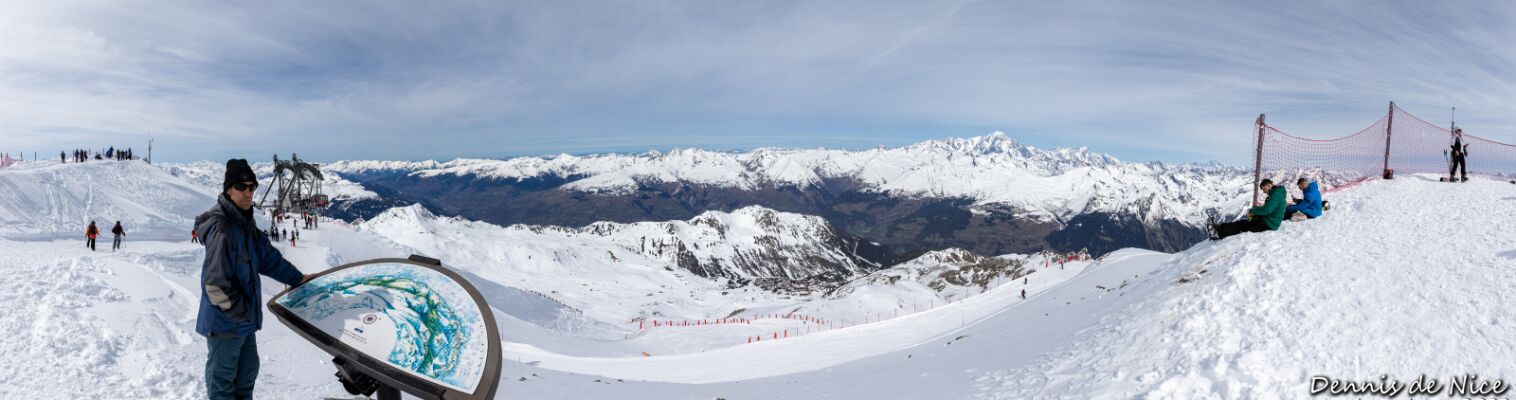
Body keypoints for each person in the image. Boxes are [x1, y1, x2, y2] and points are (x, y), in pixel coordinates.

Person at [194, 159, 314, 400]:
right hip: (226, 324)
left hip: (243, 322)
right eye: (241, 186)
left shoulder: (244, 223)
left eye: (252, 186)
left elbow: (268, 259)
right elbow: (215, 287)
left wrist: (298, 278)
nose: (248, 192)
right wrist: (242, 312)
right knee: (223, 386)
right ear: (228, 189)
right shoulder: (223, 229)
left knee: (247, 376)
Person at [1210, 179, 1288, 240]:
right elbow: (1269, 209)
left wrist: (1252, 210)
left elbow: (1267, 210)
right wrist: (1255, 210)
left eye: (1264, 189)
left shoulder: (1276, 195)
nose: (1264, 192)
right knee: (1243, 222)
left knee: (1241, 225)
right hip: (1269, 220)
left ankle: (1219, 233)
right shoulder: (1277, 193)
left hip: (1269, 223)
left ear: (1269, 185)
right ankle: (1220, 227)